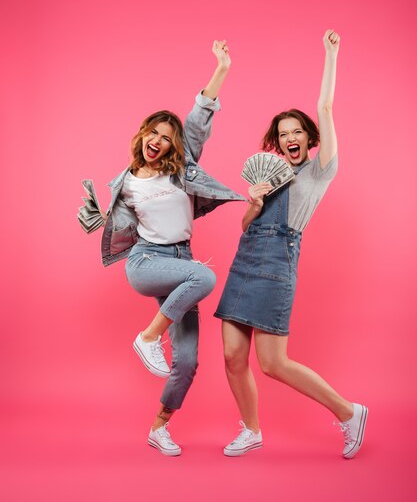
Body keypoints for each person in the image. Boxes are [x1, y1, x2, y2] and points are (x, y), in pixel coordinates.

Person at [214, 30, 368, 459]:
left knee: (272, 363)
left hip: (277, 265)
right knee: (231, 356)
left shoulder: (319, 173)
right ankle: (251, 430)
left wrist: (330, 55)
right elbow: (246, 226)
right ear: (276, 142)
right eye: (283, 134)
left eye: (297, 131)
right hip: (244, 263)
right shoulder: (272, 174)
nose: (290, 138)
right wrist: (254, 201)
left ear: (309, 136)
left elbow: (326, 106)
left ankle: (349, 412)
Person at [98, 41, 245, 455]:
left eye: (166, 137)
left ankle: (159, 427)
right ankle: (147, 338)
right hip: (147, 262)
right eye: (153, 133)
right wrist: (94, 216)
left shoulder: (182, 168)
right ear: (143, 134)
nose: (158, 141)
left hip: (181, 262)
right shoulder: (124, 184)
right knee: (206, 275)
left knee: (187, 360)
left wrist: (222, 68)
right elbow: (116, 224)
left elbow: (198, 120)